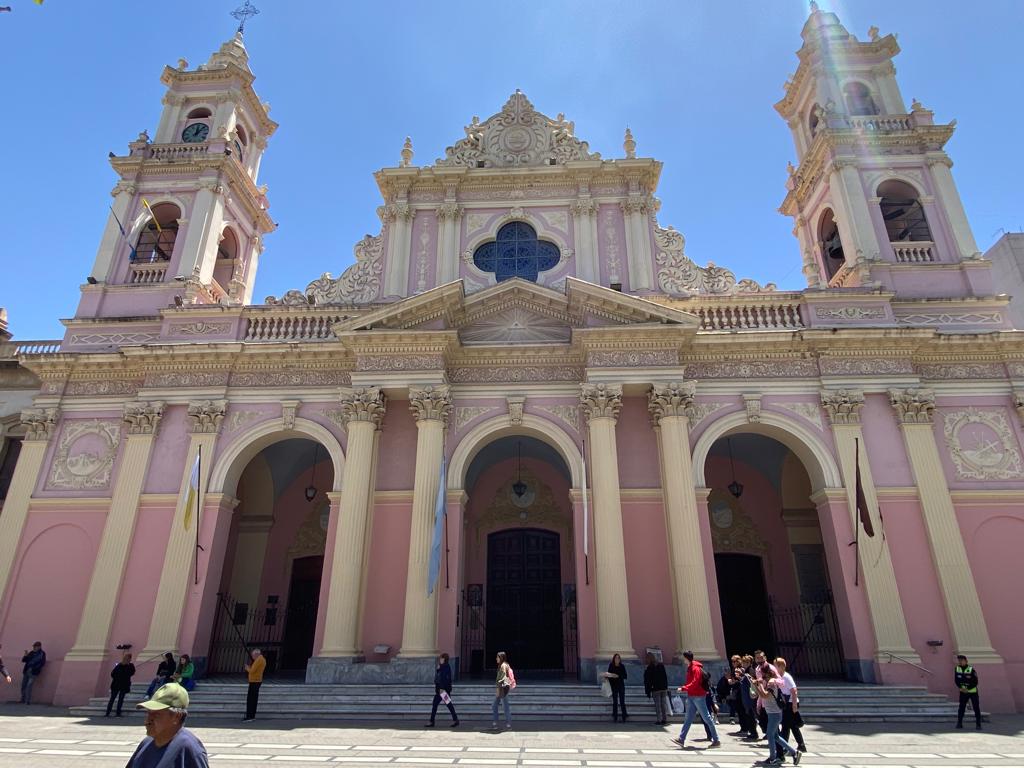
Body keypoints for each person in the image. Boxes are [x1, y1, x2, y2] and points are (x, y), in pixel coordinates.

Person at [126, 682, 208, 767]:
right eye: (148, 713)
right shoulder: (146, 743)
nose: (147, 721)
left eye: (156, 714)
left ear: (177, 717)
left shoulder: (189, 749)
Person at [670, 650, 721, 749]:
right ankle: (681, 739)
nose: (683, 659)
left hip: (698, 696)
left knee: (707, 718)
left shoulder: (695, 668)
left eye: (683, 657)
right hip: (692, 696)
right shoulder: (690, 667)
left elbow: (695, 682)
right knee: (688, 718)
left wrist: (684, 688)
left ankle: (716, 739)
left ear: (686, 658)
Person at [755, 664, 801, 766]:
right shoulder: (767, 682)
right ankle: (794, 752)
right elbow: (761, 695)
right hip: (771, 712)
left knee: (770, 735)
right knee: (775, 736)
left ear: (765, 673)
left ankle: (773, 758)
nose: (760, 675)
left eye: (761, 673)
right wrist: (757, 685)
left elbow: (765, 695)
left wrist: (759, 685)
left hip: (774, 713)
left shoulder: (771, 682)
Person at [774, 657, 806, 752]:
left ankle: (785, 746)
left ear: (782, 667)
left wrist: (795, 705)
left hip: (791, 703)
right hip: (786, 703)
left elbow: (794, 691)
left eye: (776, 666)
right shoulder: (779, 677)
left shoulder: (787, 677)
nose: (775, 668)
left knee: (786, 726)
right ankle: (800, 744)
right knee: (791, 725)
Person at [425, 652, 459, 728]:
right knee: (447, 705)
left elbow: (443, 678)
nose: (440, 660)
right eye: (440, 658)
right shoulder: (443, 667)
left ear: (444, 659)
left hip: (442, 690)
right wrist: (438, 670)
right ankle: (455, 719)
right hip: (441, 690)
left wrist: (439, 670)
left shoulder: (445, 667)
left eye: (441, 658)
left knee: (437, 705)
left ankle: (431, 721)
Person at [955, 654, 981, 730]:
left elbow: (975, 682)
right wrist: (960, 687)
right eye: (959, 660)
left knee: (976, 707)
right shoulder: (957, 669)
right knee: (961, 708)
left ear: (966, 661)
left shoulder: (971, 670)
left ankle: (978, 724)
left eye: (962, 660)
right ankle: (959, 723)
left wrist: (968, 688)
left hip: (972, 692)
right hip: (963, 692)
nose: (960, 662)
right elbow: (956, 680)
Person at [644, 652, 670, 726]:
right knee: (663, 704)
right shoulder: (661, 665)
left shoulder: (649, 668)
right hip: (663, 688)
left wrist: (648, 690)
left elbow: (648, 680)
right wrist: (666, 686)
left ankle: (659, 720)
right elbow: (665, 677)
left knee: (658, 705)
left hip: (655, 689)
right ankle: (664, 719)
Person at [107, 652, 136, 717]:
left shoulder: (127, 665)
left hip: (120, 684)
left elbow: (132, 673)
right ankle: (112, 713)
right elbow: (113, 674)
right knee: (115, 699)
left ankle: (114, 713)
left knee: (117, 699)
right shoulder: (121, 665)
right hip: (119, 684)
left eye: (127, 658)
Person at [491, 651, 514, 730]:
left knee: (503, 707)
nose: (496, 659)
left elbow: (502, 678)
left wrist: (498, 689)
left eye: (497, 657)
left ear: (500, 658)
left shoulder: (503, 665)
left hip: (502, 689)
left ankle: (505, 724)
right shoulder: (505, 665)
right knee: (495, 706)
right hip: (503, 689)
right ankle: (496, 723)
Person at [243, 648, 266, 722]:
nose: (252, 657)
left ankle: (250, 716)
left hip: (254, 681)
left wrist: (247, 668)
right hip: (256, 681)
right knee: (253, 699)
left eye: (253, 655)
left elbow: (252, 671)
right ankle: (251, 715)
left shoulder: (259, 660)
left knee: (251, 699)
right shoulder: (261, 659)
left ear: (256, 654)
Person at [606, 653, 628, 722]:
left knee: (622, 701)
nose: (617, 659)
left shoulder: (622, 666)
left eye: (618, 658)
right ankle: (615, 716)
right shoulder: (611, 665)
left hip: (621, 685)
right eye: (616, 658)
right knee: (615, 701)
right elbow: (608, 674)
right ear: (614, 659)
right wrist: (608, 676)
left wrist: (618, 676)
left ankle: (624, 716)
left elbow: (625, 676)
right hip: (614, 686)